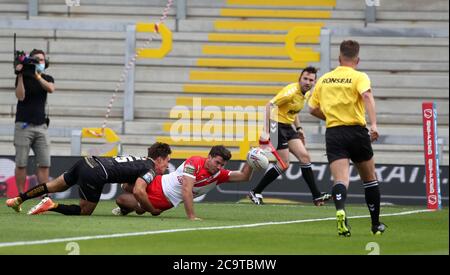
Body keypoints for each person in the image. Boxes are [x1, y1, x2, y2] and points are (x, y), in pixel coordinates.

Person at [308, 40, 386, 236]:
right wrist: (374, 124)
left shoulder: (325, 79)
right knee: (369, 180)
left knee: (341, 180)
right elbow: (367, 97)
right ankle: (375, 224)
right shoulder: (359, 76)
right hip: (356, 131)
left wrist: (331, 117)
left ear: (339, 58)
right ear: (357, 59)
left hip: (334, 132)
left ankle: (341, 210)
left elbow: (312, 108)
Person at [6, 142, 172, 216]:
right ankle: (51, 205)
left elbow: (126, 186)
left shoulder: (139, 160)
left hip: (87, 161)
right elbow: (138, 191)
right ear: (159, 159)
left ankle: (18, 199)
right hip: (96, 173)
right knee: (85, 211)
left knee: (52, 186)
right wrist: (152, 210)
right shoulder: (149, 169)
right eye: (167, 161)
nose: (167, 166)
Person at [247, 66, 331, 206]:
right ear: (299, 79)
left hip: (288, 127)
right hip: (276, 126)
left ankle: (316, 196)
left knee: (305, 157)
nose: (307, 82)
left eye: (311, 80)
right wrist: (267, 131)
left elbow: (293, 111)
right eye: (305, 79)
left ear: (314, 82)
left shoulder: (307, 94)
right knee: (284, 164)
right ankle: (255, 191)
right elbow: (269, 106)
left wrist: (299, 128)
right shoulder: (290, 91)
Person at [113, 145, 254, 220]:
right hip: (158, 181)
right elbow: (186, 190)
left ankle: (130, 208)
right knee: (127, 185)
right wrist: (191, 216)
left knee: (122, 200)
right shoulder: (194, 162)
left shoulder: (219, 175)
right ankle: (128, 207)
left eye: (222, 165)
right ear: (209, 157)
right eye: (217, 162)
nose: (219, 167)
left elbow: (244, 176)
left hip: (162, 200)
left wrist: (251, 161)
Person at [14, 49, 55, 195]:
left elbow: (50, 89)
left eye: (41, 60)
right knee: (21, 163)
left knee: (44, 163)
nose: (39, 62)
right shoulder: (24, 77)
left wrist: (37, 75)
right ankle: (20, 195)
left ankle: (44, 195)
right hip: (23, 125)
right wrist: (20, 75)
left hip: (41, 126)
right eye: (36, 59)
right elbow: (20, 96)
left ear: (45, 62)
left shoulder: (47, 77)